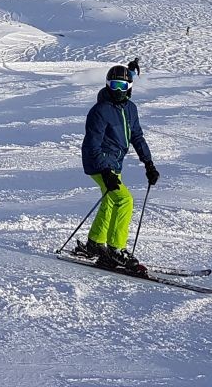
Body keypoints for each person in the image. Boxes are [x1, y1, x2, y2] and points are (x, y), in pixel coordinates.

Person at [80, 59, 159, 271]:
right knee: (124, 200)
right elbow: (92, 145)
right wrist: (105, 171)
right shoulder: (100, 111)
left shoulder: (130, 109)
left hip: (114, 164)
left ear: (129, 88)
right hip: (98, 163)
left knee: (110, 200)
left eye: (122, 86)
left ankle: (95, 243)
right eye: (114, 85)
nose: (118, 90)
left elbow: (137, 137)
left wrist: (148, 163)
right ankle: (116, 250)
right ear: (107, 85)